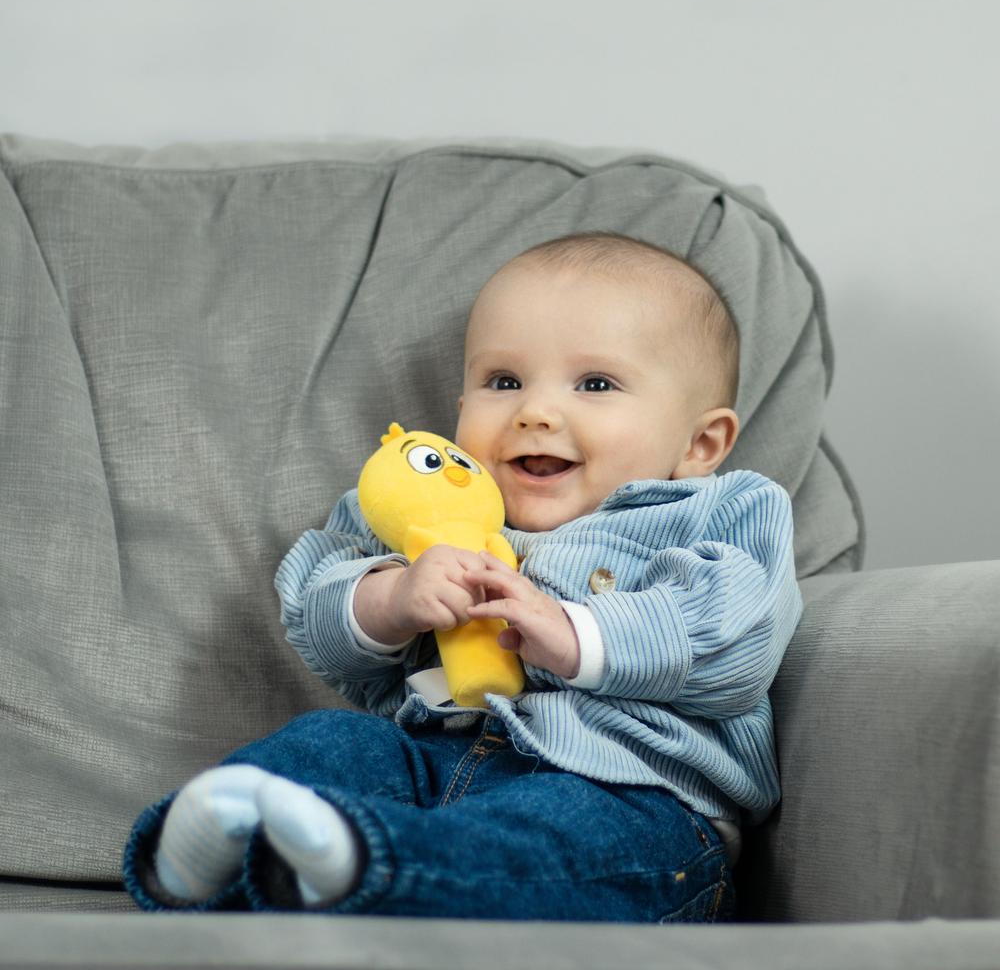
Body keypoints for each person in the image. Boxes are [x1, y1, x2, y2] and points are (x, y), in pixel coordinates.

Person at [123, 232, 803, 922]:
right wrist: (391, 597)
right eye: (503, 381)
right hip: (428, 763)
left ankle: (366, 864)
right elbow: (313, 609)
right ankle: (205, 856)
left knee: (550, 836)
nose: (533, 411)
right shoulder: (426, 504)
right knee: (334, 743)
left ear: (700, 443)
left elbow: (736, 639)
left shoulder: (721, 509)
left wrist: (573, 634)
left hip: (630, 796)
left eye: (595, 384)